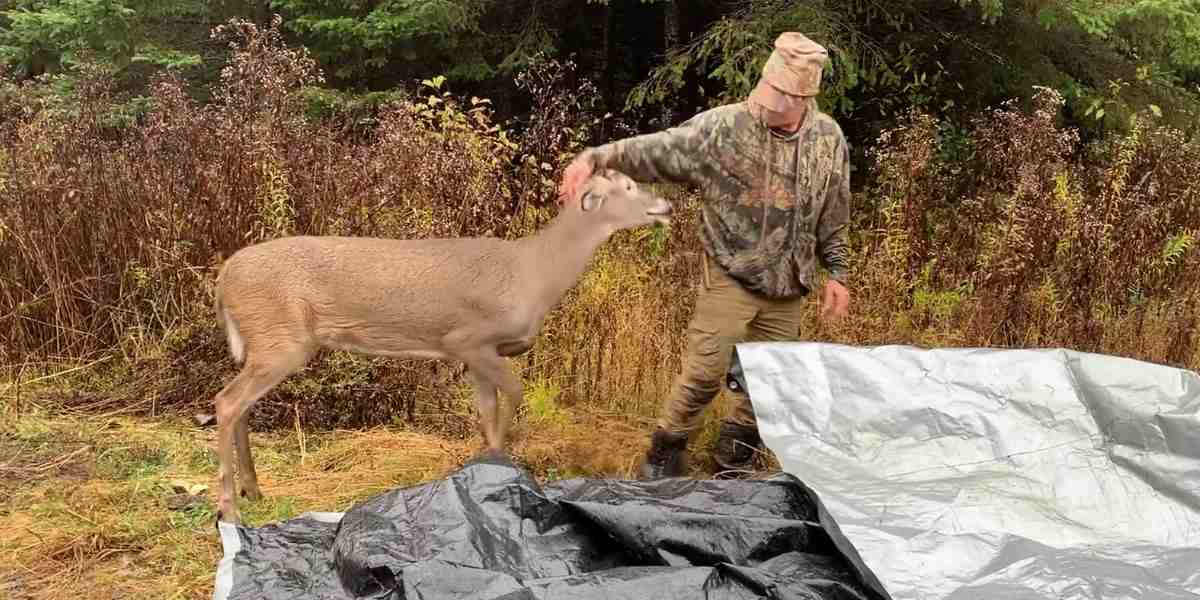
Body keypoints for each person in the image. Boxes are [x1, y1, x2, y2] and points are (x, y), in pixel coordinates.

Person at [557, 32, 852, 479]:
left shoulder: (827, 138)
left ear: (803, 97)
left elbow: (835, 208)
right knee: (706, 372)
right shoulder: (724, 128)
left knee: (771, 384)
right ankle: (663, 459)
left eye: (780, 98)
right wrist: (597, 158)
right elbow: (660, 148)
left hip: (789, 284)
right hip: (731, 272)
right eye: (766, 91)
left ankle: (732, 462)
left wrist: (838, 271)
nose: (767, 103)